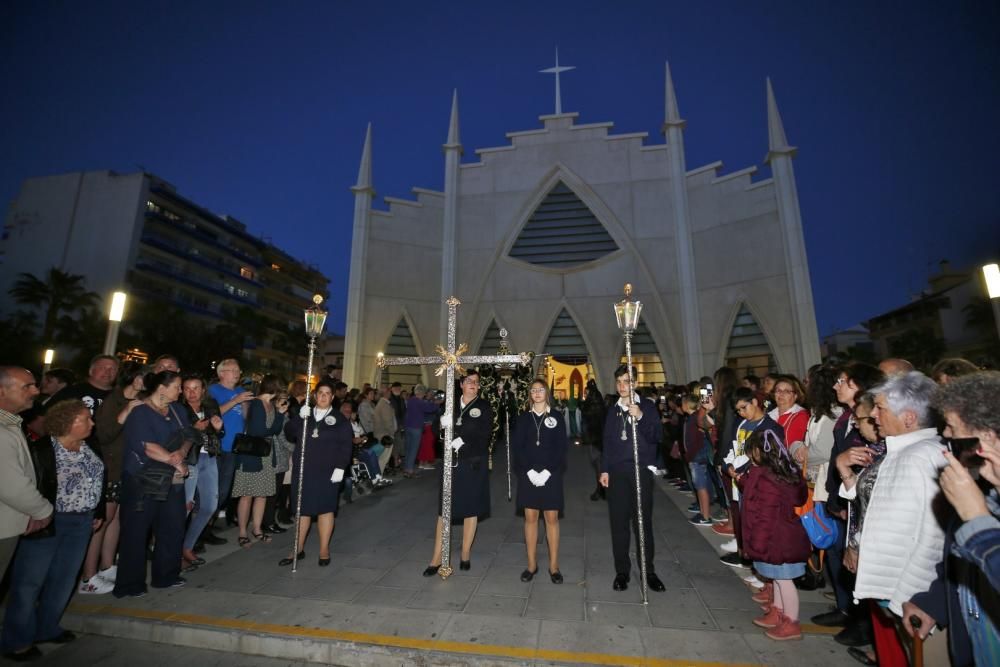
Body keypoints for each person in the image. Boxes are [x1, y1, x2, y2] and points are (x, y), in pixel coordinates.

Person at [906, 371, 1000, 667]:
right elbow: (962, 568)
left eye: (953, 430)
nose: (945, 437)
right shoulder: (980, 492)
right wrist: (934, 602)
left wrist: (976, 521)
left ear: (986, 437)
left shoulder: (973, 503)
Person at [852, 372, 946, 663]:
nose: (874, 416)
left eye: (880, 408)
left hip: (913, 597)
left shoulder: (923, 457)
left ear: (908, 418)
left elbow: (936, 535)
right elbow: (883, 512)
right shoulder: (903, 453)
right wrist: (858, 543)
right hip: (897, 592)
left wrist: (916, 597)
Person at [0, 400, 104, 660]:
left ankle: (47, 627)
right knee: (29, 582)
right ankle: (16, 640)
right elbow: (27, 485)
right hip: (48, 520)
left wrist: (97, 511)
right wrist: (36, 513)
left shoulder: (89, 445)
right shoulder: (43, 449)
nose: (92, 423)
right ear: (68, 422)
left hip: (82, 521)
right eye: (86, 419)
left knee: (64, 579)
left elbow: (98, 479)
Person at [113, 371, 193, 597]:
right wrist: (174, 461)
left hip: (171, 479)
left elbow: (188, 435)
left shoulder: (178, 410)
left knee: (173, 527)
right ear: (161, 388)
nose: (180, 391)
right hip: (142, 479)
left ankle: (166, 575)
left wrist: (181, 453)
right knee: (136, 532)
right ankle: (130, 584)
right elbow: (146, 447)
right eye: (177, 386)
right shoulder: (139, 412)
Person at [598, 365, 665, 593]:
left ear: (635, 383)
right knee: (618, 524)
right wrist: (604, 469)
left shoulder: (646, 406)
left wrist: (640, 416)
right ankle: (622, 571)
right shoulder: (613, 410)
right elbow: (607, 442)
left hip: (640, 471)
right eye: (618, 382)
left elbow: (657, 435)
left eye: (626, 381)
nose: (621, 386)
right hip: (617, 473)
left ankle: (649, 570)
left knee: (642, 523)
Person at [81, 361, 146, 595]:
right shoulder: (114, 401)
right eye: (143, 378)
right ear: (134, 379)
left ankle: (107, 566)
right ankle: (88, 576)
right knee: (102, 521)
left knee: (115, 519)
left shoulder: (136, 401)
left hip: (125, 469)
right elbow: (104, 434)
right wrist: (126, 412)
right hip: (110, 469)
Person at [741, 428, 810, 641]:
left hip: (775, 539)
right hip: (783, 535)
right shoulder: (785, 472)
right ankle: (778, 612)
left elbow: (765, 515)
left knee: (784, 580)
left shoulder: (767, 478)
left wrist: (757, 545)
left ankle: (791, 621)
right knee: (779, 579)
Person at [424, 369, 493, 576]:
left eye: (476, 382)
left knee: (470, 508)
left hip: (472, 462)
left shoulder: (484, 406)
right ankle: (436, 558)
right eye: (469, 381)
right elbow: (437, 429)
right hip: (450, 464)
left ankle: (465, 554)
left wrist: (462, 442)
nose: (473, 384)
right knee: (444, 510)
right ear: (461, 384)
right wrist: (442, 427)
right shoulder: (450, 404)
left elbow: (485, 434)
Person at [279, 379, 353, 567]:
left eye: (327, 394)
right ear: (314, 396)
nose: (323, 396)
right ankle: (298, 548)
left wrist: (340, 468)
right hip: (304, 469)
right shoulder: (305, 415)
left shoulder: (339, 420)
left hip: (328, 471)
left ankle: (323, 549)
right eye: (320, 393)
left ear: (333, 397)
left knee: (325, 509)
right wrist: (298, 419)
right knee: (301, 510)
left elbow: (346, 446)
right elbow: (289, 433)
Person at [718, 387, 783, 569]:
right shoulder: (740, 424)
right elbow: (733, 448)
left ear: (755, 402)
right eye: (738, 410)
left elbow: (765, 457)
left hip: (758, 484)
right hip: (738, 480)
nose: (741, 413)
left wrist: (739, 468)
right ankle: (748, 559)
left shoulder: (771, 427)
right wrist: (728, 466)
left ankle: (761, 570)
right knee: (742, 522)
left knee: (757, 526)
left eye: (744, 407)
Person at [0, 368, 53, 587]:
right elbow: (10, 484)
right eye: (27, 386)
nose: (35, 391)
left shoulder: (11, 424)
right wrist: (43, 511)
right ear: (2, 391)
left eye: (34, 384)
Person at [512, 379, 569, 583]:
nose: (537, 393)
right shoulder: (523, 418)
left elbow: (561, 448)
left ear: (547, 393)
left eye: (541, 390)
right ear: (530, 394)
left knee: (552, 519)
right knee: (531, 518)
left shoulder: (556, 417)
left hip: (551, 475)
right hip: (528, 475)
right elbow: (518, 448)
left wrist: (547, 472)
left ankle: (554, 566)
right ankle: (531, 565)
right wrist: (528, 471)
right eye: (534, 390)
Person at [231, 375, 287, 548]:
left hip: (266, 455)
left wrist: (279, 414)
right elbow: (258, 431)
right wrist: (278, 415)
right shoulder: (256, 404)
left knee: (262, 494)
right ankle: (242, 531)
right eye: (281, 388)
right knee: (247, 495)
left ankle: (257, 529)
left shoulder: (271, 405)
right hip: (252, 455)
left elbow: (276, 431)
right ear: (274, 388)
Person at [178, 373, 225, 569]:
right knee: (185, 507)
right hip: (189, 460)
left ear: (203, 390)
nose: (191, 393)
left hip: (209, 457)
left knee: (209, 506)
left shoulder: (210, 406)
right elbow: (176, 435)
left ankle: (187, 546)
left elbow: (219, 432)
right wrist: (194, 428)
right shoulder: (179, 409)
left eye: (195, 388)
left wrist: (219, 428)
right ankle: (175, 551)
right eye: (187, 388)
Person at [208, 359, 255, 527]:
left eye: (238, 369)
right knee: (211, 491)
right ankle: (200, 531)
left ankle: (208, 528)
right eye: (232, 370)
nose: (237, 373)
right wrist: (236, 400)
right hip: (217, 446)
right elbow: (213, 413)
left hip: (235, 447)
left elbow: (245, 418)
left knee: (223, 491)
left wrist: (245, 405)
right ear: (221, 373)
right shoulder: (213, 390)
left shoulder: (241, 390)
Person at [403, 384, 441, 478]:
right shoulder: (419, 402)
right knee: (413, 450)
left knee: (408, 449)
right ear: (423, 393)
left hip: (408, 427)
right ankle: (410, 471)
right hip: (416, 428)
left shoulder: (411, 400)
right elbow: (430, 409)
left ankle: (406, 469)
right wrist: (437, 403)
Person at [581, 379, 607, 501]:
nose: (585, 395)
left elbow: (590, 422)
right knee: (598, 466)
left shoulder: (593, 407)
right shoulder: (597, 405)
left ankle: (602, 490)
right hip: (596, 439)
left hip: (596, 440)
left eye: (586, 393)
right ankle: (602, 490)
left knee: (599, 466)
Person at [372, 385, 397, 474]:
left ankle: (378, 477)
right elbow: (388, 422)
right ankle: (378, 477)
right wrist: (392, 433)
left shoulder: (382, 403)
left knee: (382, 458)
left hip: (382, 434)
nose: (391, 393)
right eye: (389, 391)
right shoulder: (384, 405)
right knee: (383, 459)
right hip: (385, 435)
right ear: (386, 392)